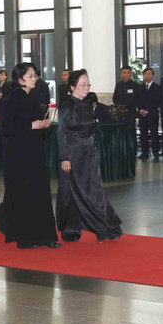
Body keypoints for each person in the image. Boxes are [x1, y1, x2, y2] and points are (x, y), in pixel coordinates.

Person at [0, 62, 60, 249]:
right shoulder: (10, 100)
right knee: (24, 194)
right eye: (31, 75)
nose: (34, 78)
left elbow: (34, 121)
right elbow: (6, 128)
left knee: (40, 191)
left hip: (34, 151)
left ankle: (46, 236)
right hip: (18, 155)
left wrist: (43, 123)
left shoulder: (33, 97)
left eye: (35, 75)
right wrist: (30, 126)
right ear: (20, 79)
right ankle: (26, 237)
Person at [57, 69, 122, 242]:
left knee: (94, 190)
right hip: (72, 154)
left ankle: (105, 226)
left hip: (88, 153)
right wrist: (64, 157)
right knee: (73, 192)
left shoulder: (87, 104)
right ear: (72, 87)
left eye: (88, 84)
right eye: (82, 85)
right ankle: (71, 228)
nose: (86, 88)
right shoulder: (66, 106)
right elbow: (61, 133)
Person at [136, 68, 162, 160]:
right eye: (146, 74)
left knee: (154, 134)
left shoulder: (157, 87)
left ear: (152, 75)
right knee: (143, 134)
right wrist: (141, 110)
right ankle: (144, 152)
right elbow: (137, 100)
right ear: (143, 76)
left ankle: (155, 152)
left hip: (152, 114)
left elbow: (157, 101)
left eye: (149, 74)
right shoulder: (140, 87)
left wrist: (147, 111)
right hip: (142, 115)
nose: (147, 75)